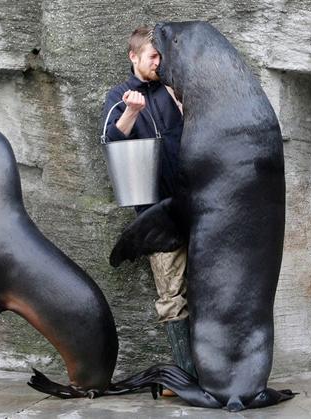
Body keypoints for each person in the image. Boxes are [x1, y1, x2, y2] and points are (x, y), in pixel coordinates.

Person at [101, 26, 196, 394]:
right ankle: (185, 376)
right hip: (158, 215)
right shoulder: (119, 97)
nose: (158, 63)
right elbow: (110, 140)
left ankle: (213, 368)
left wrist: (186, 109)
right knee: (172, 295)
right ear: (134, 57)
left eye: (161, 57)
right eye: (152, 57)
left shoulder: (175, 89)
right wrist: (130, 112)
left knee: (207, 287)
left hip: (195, 202)